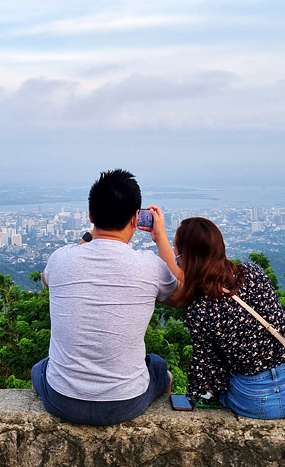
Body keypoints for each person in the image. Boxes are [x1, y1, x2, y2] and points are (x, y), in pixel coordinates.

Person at [31, 169, 180, 425]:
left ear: (90, 215)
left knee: (40, 369)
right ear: (136, 218)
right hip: (125, 403)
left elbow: (46, 279)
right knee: (158, 366)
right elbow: (180, 293)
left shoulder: (60, 259)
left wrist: (88, 239)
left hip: (62, 400)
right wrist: (161, 238)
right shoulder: (150, 266)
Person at [152, 216, 285, 419]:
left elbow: (205, 368)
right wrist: (160, 238)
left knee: (226, 379)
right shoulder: (253, 273)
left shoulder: (199, 309)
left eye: (177, 251)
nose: (175, 255)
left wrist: (196, 392)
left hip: (256, 402)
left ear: (186, 258)